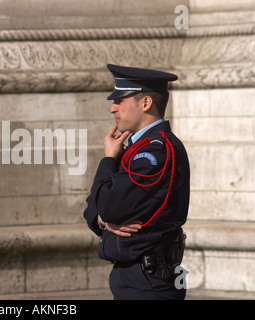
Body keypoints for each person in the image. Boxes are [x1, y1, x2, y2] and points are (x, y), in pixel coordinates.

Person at [84, 64, 190, 300]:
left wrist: (108, 160)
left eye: (120, 100)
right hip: (136, 276)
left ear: (145, 103)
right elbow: (94, 207)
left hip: (148, 280)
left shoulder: (154, 153)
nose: (113, 108)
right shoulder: (137, 148)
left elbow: (109, 205)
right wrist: (103, 220)